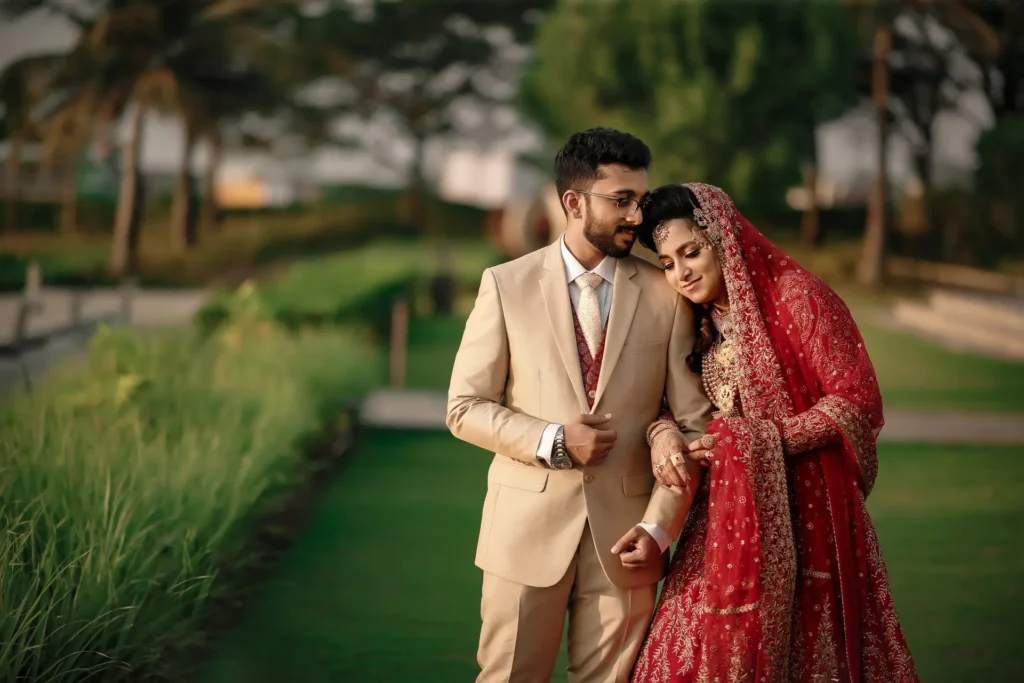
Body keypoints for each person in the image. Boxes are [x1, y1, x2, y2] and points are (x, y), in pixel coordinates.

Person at [446, 128, 711, 683]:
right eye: (621, 201)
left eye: (640, 199)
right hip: (522, 537)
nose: (638, 216)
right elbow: (464, 407)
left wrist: (661, 527)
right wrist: (552, 440)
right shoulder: (505, 285)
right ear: (574, 202)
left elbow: (692, 425)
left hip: (629, 540)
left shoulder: (666, 292)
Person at [630, 183, 920, 683]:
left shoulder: (797, 296)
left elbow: (855, 400)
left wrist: (757, 441)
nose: (681, 273)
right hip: (722, 513)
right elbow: (668, 405)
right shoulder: (692, 319)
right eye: (668, 262)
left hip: (809, 516)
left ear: (724, 237)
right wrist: (665, 435)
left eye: (692, 252)